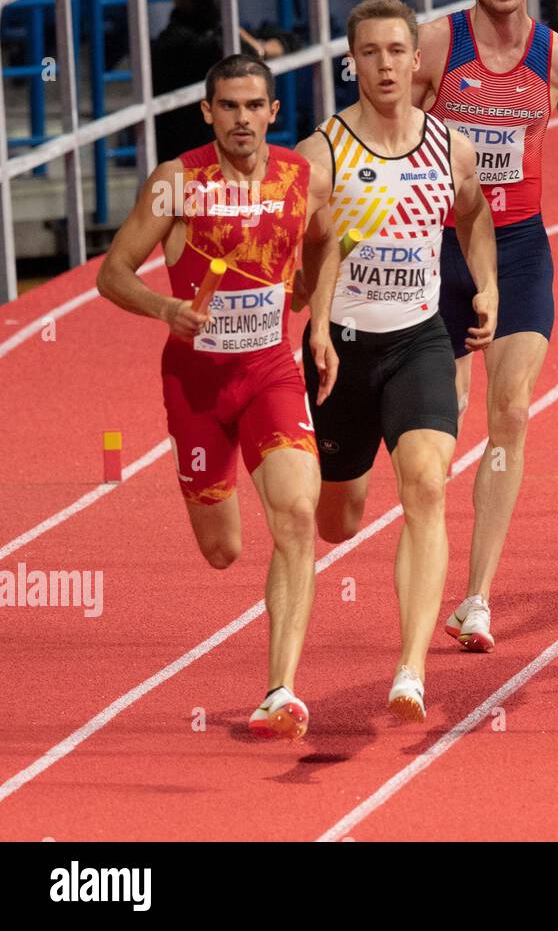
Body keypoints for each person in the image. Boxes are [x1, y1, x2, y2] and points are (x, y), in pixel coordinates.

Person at [97, 53, 341, 741]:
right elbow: (112, 274)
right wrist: (163, 309)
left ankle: (281, 691)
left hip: (270, 373)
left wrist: (317, 323)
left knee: (297, 514)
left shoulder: (301, 178)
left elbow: (328, 244)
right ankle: (209, 495)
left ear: (272, 111)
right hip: (196, 384)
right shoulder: (177, 184)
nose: (241, 119)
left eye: (253, 106)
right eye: (227, 107)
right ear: (209, 112)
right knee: (223, 549)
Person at [298, 0, 497, 721]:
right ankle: (338, 486)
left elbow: (474, 218)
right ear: (352, 62)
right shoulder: (322, 155)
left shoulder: (451, 147)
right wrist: (316, 323)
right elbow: (309, 256)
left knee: (427, 486)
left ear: (418, 61)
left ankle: (410, 670)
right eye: (370, 53)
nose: (384, 65)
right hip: (341, 351)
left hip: (419, 341)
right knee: (338, 522)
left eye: (396, 51)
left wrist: (489, 289)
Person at [410, 0, 558, 654]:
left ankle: (476, 598)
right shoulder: (433, 44)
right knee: (443, 415)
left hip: (518, 247)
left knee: (511, 409)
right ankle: (423, 546)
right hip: (438, 248)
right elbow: (394, 125)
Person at [152, 0, 300, 161]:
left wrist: (262, 48)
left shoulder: (232, 30)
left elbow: (290, 41)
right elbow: (223, 50)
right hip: (189, 162)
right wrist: (255, 47)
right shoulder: (170, 43)